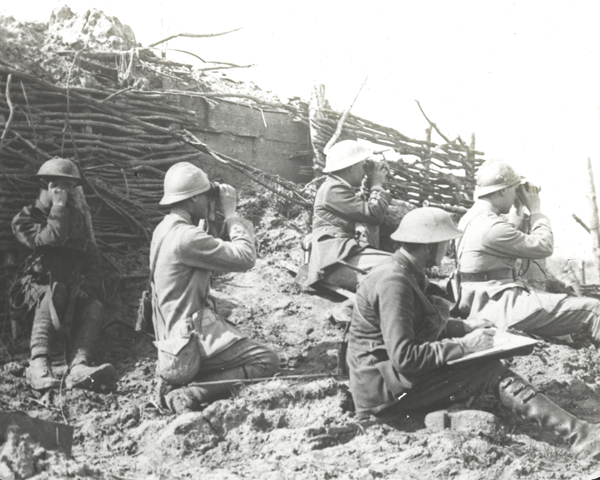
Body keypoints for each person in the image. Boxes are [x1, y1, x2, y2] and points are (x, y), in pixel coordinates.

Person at [347, 206, 600, 459]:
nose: (448, 250)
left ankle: (444, 413)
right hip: (385, 394)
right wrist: (465, 345)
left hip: (390, 382)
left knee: (482, 366)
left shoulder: (406, 273)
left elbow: (418, 327)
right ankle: (580, 435)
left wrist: (464, 327)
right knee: (488, 372)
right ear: (429, 247)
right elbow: (406, 357)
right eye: (445, 243)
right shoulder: (394, 282)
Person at [151, 162, 279, 413]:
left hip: (171, 339)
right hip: (187, 344)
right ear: (194, 198)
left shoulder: (165, 229)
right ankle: (189, 393)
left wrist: (210, 215)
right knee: (266, 361)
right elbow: (245, 257)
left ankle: (184, 384)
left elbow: (205, 247)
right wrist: (231, 214)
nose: (211, 199)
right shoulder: (187, 238)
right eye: (206, 196)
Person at [455, 159, 600, 342]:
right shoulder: (491, 226)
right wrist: (535, 210)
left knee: (568, 323)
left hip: (481, 299)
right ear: (502, 190)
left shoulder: (471, 219)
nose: (518, 194)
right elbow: (543, 246)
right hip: (499, 306)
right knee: (595, 310)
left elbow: (508, 239)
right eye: (515, 189)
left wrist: (518, 208)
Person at [10, 157, 115, 391]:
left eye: (70, 187)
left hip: (71, 288)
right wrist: (57, 208)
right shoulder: (25, 218)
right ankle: (38, 364)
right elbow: (50, 240)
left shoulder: (73, 217)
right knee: (54, 291)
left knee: (94, 305)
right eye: (62, 186)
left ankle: (79, 367)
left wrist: (91, 288)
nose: (68, 193)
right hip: (34, 292)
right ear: (47, 186)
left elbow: (87, 253)